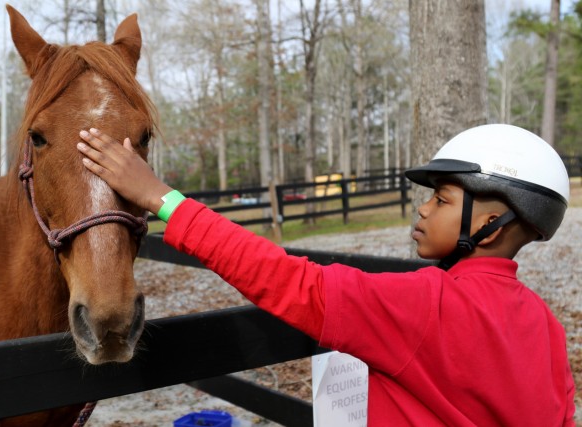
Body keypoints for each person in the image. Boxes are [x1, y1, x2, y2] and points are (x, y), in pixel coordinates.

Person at [77, 124, 576, 426]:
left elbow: (287, 279)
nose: (422, 210)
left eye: (442, 199)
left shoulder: (424, 302)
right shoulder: (547, 327)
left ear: (490, 225)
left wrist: (164, 200)